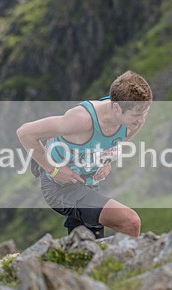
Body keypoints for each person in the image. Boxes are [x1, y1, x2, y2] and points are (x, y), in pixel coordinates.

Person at [16, 71, 152, 237]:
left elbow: (114, 142)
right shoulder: (81, 119)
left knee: (86, 246)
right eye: (137, 115)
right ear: (117, 108)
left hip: (89, 184)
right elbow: (25, 133)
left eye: (145, 112)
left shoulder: (132, 122)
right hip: (60, 188)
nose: (141, 120)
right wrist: (53, 170)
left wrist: (107, 160)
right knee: (130, 222)